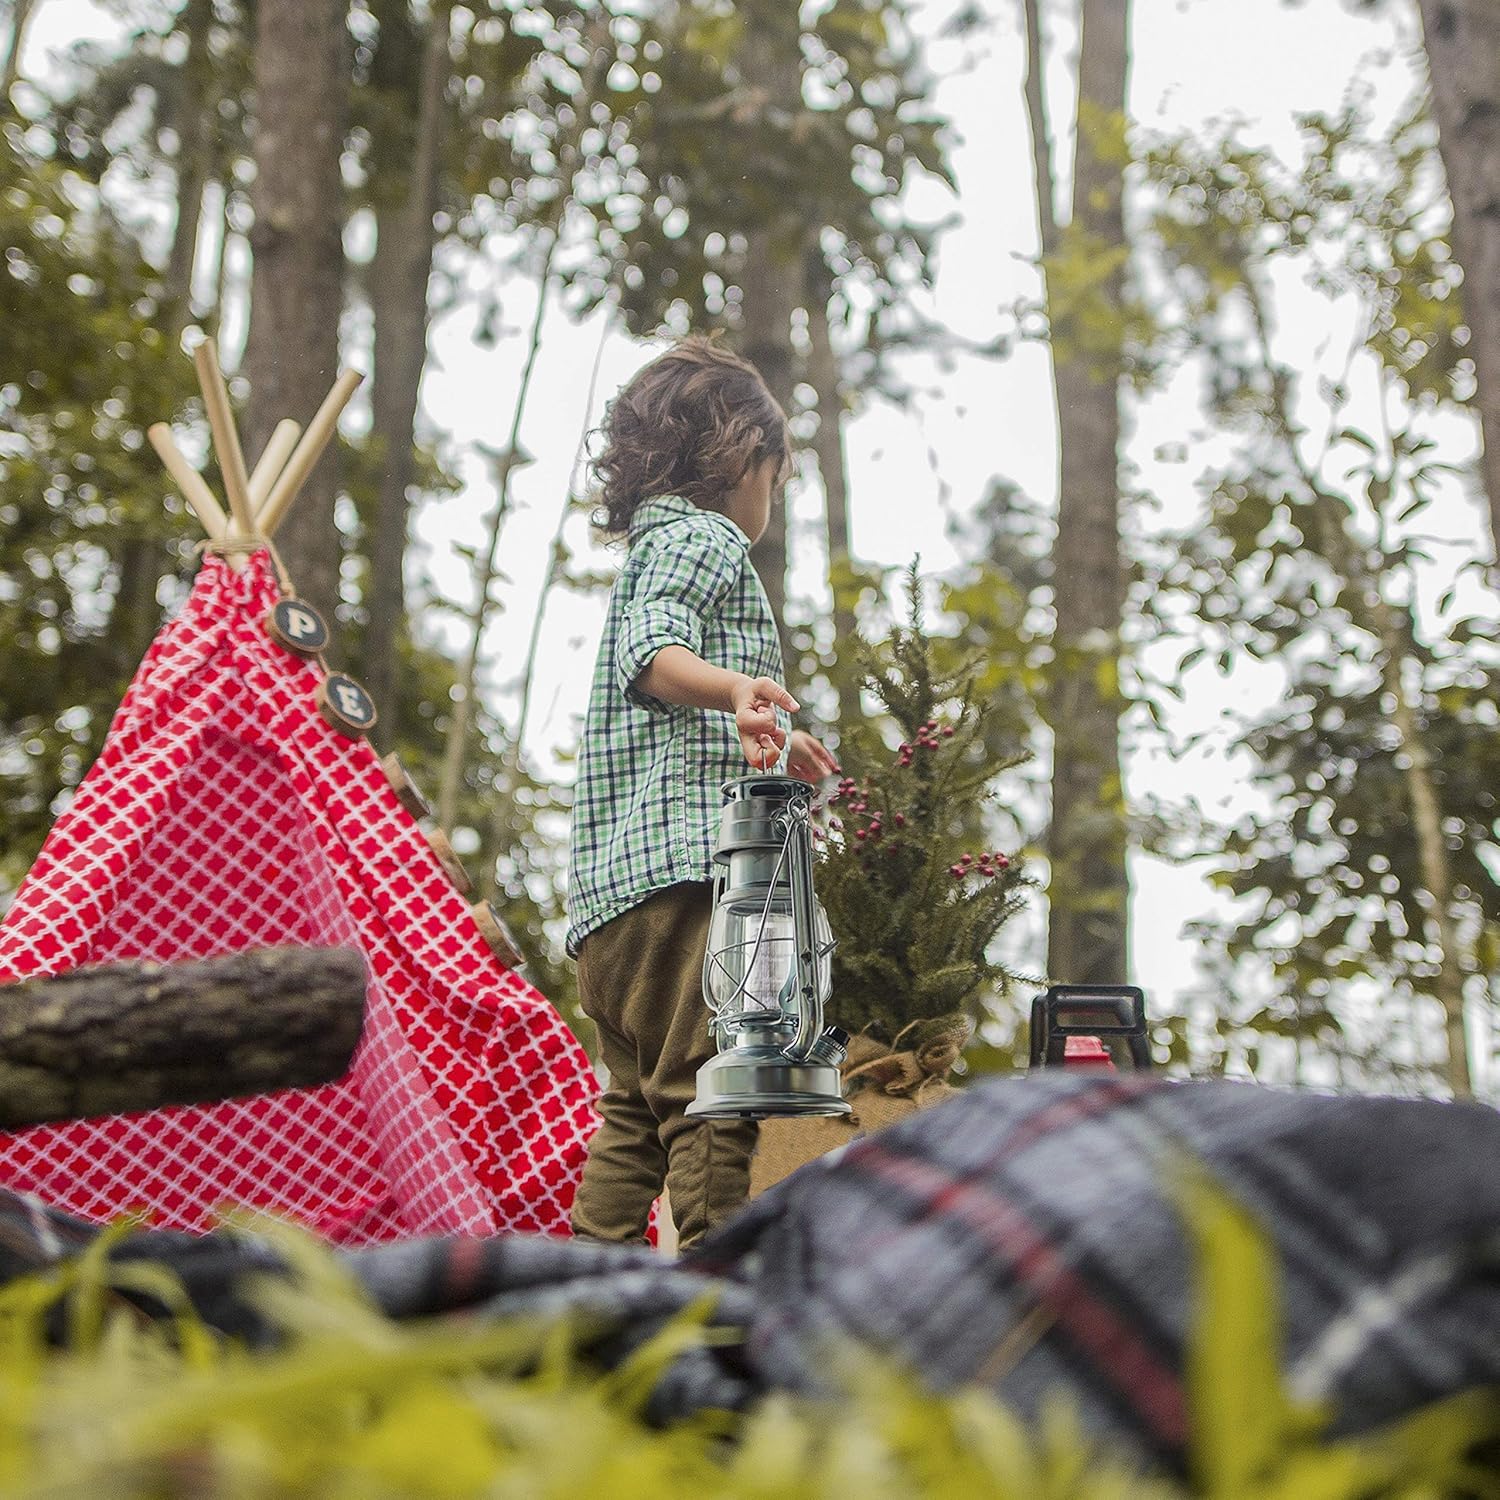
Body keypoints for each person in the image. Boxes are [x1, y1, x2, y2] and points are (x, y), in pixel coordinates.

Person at [566, 336, 839, 1250]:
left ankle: (584, 1296)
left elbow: (667, 708)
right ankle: (719, 1293)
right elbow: (655, 652)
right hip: (686, 887)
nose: (771, 502)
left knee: (632, 1114)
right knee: (714, 1092)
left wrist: (769, 736)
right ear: (740, 460)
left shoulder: (652, 548)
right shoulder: (705, 538)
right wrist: (734, 690)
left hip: (612, 914)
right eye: (776, 480)